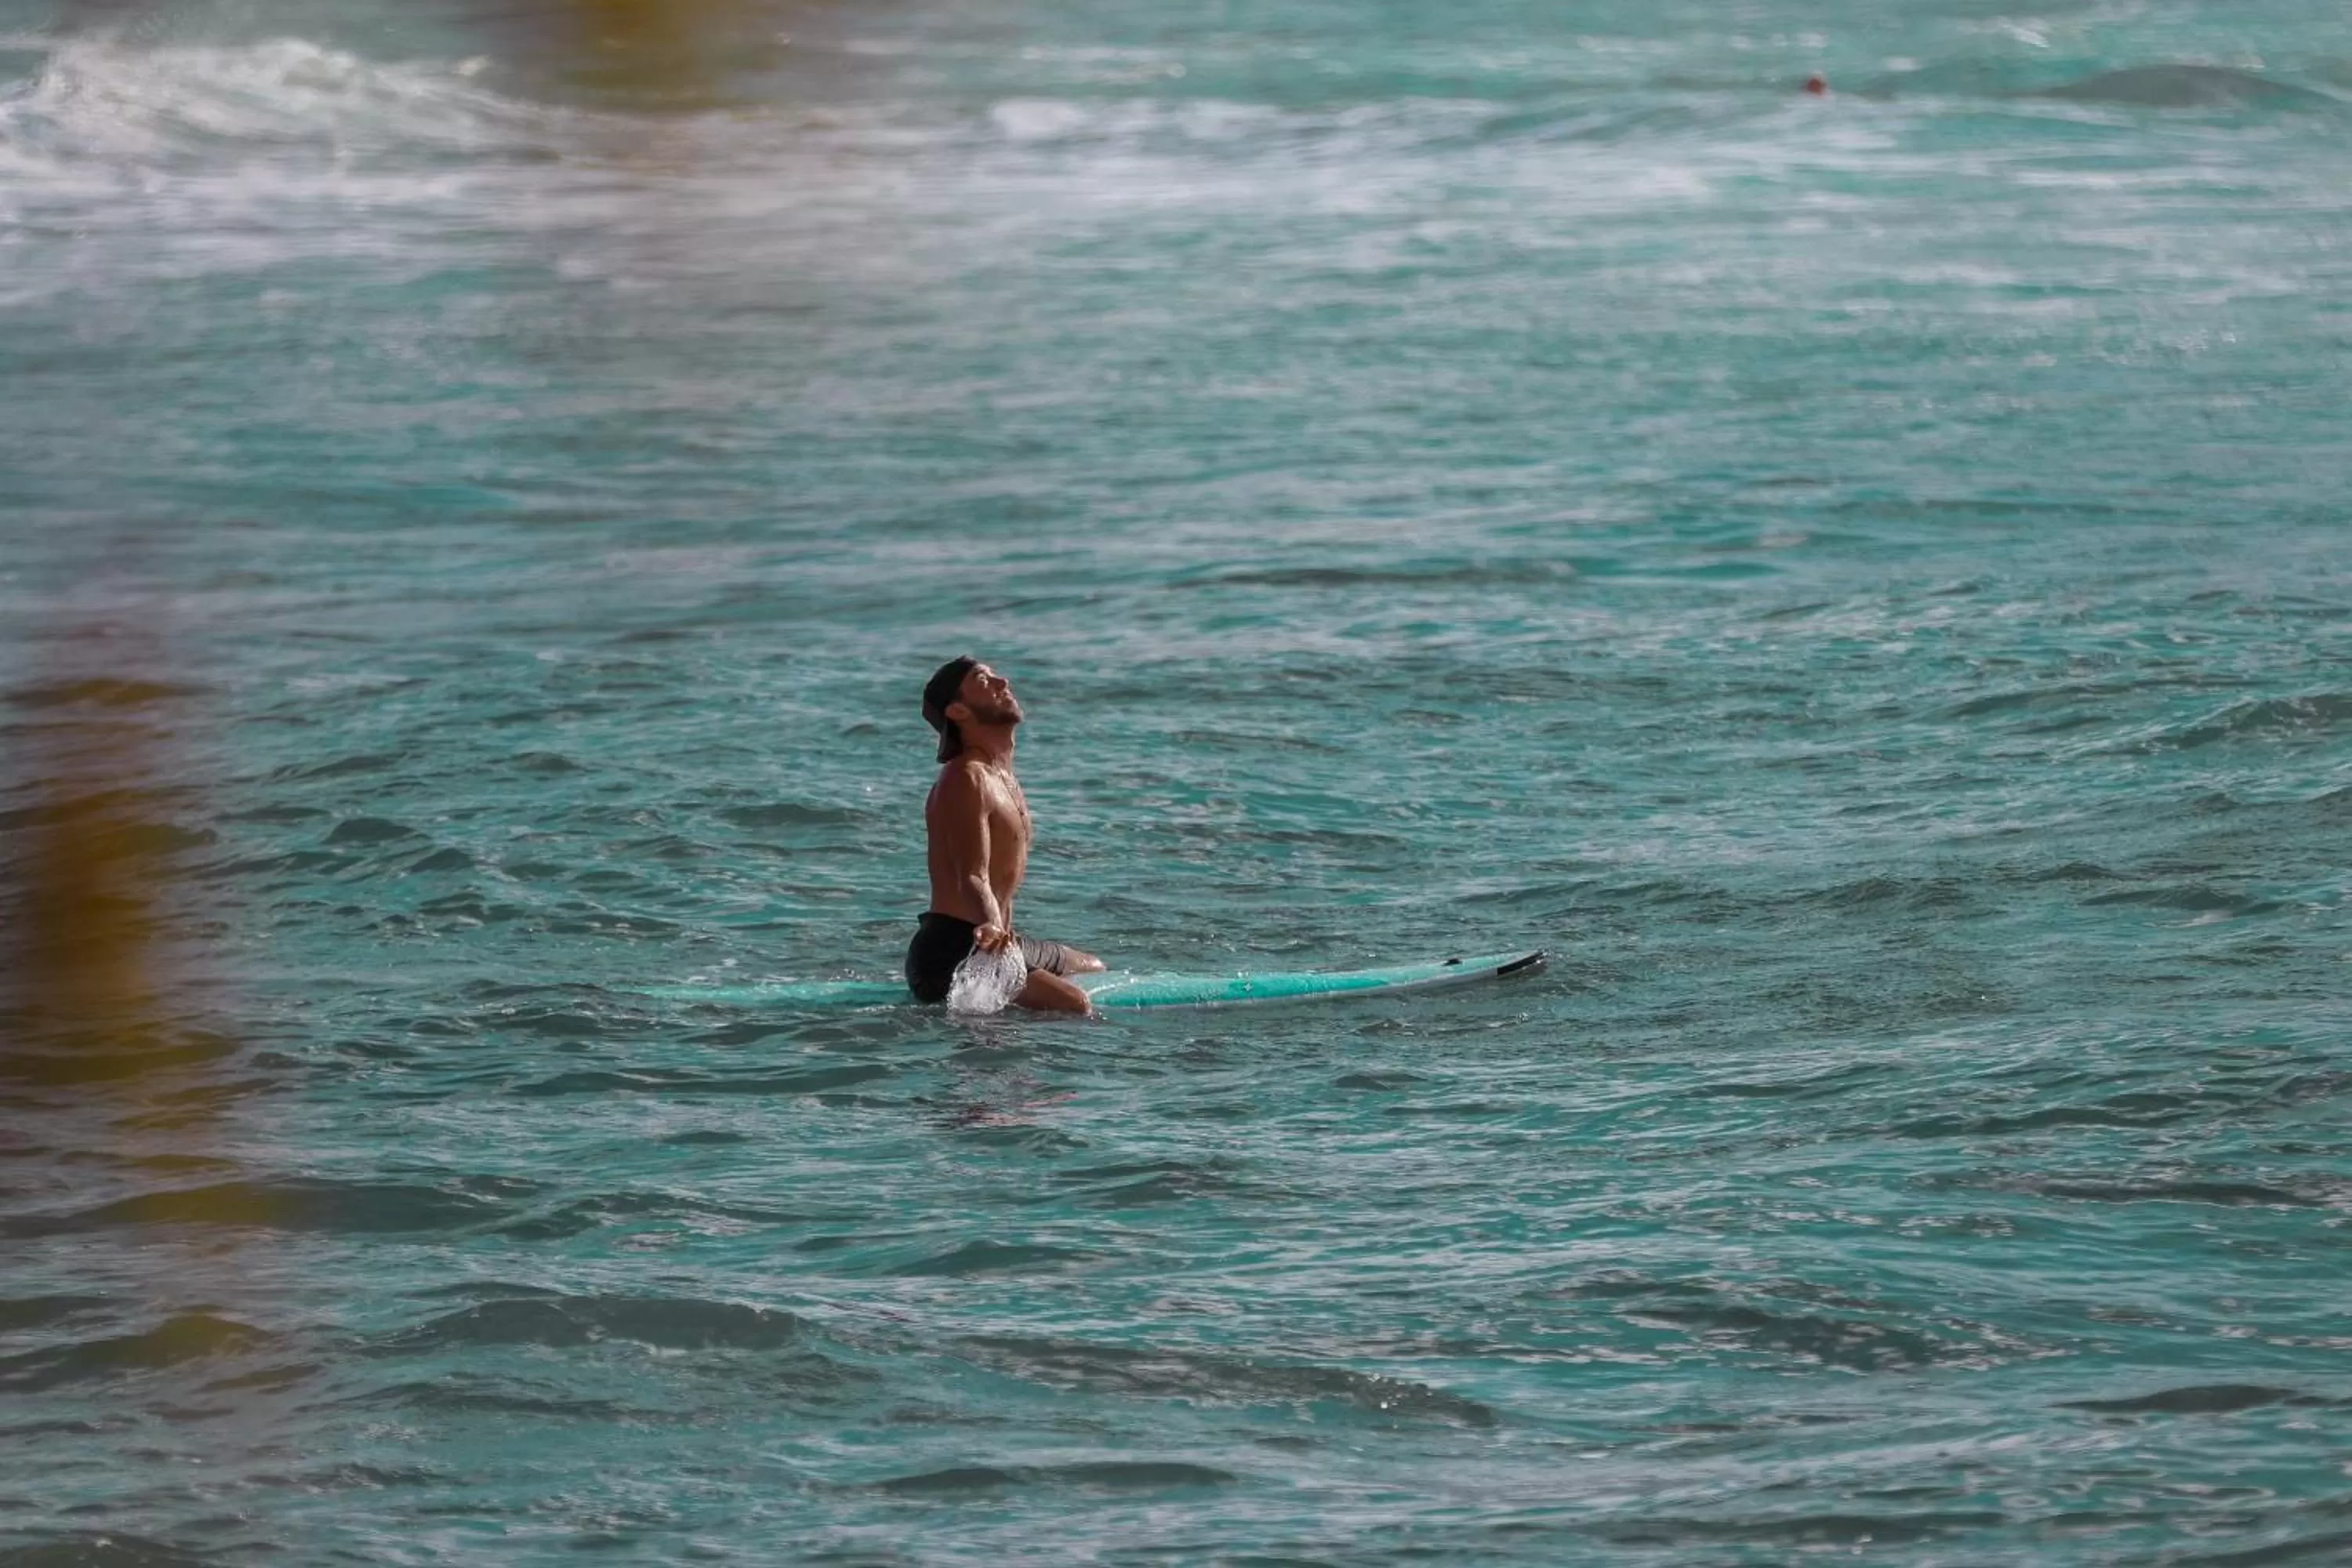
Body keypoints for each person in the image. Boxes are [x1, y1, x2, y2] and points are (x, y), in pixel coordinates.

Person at [906, 656, 1104, 1012]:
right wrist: (992, 928)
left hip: (999, 939)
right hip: (954, 950)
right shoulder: (966, 777)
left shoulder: (1001, 777)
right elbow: (972, 874)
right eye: (984, 680)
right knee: (1075, 1006)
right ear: (958, 711)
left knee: (1093, 967)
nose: (1002, 682)